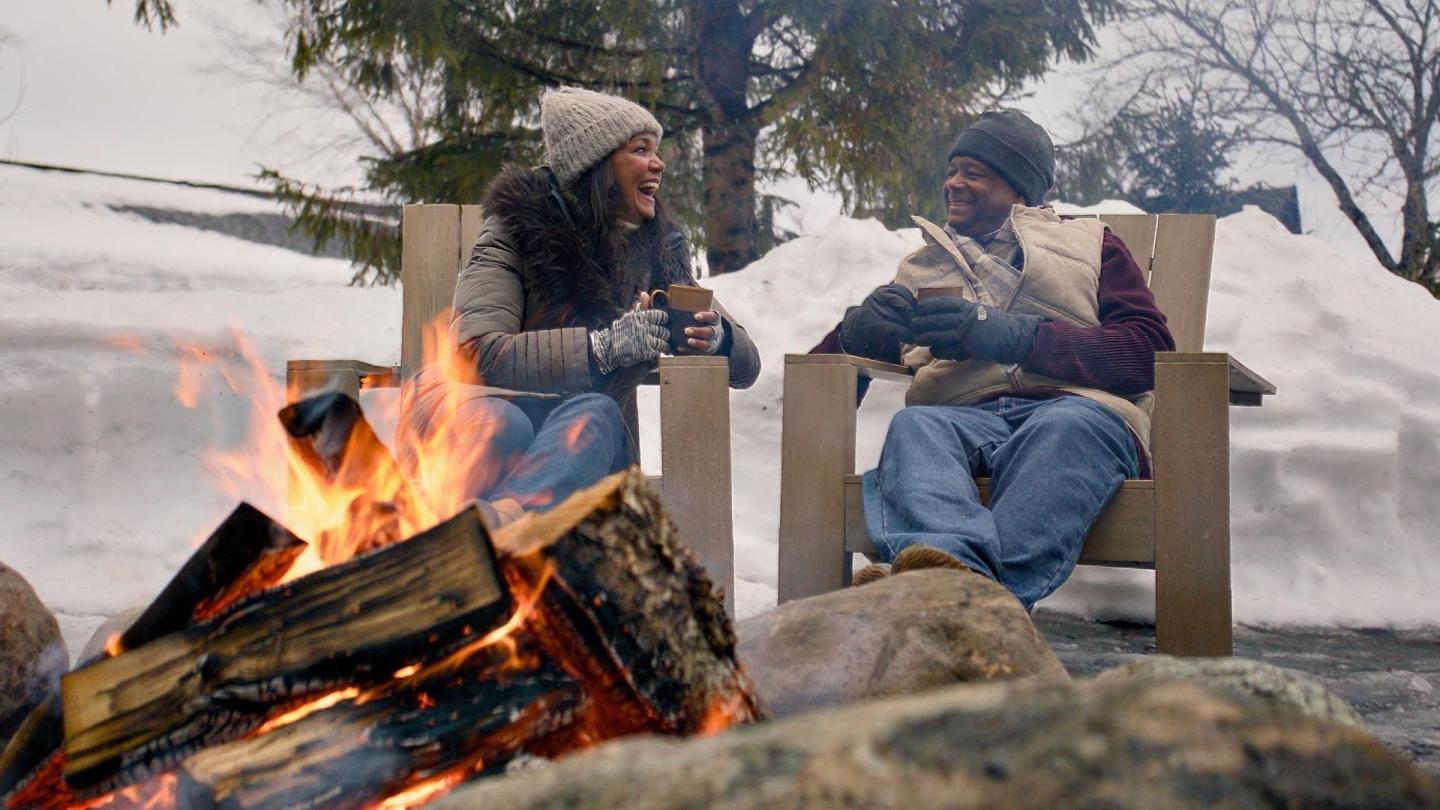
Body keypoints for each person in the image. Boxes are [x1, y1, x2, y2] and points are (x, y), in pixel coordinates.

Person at [838, 110, 1174, 610]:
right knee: (915, 429)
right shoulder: (923, 266)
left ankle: (959, 601)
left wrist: (1016, 336)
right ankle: (969, 597)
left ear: (1019, 189)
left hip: (1077, 410)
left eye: (973, 172)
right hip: (961, 417)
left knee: (1067, 426)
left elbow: (1148, 352)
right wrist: (857, 332)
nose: (953, 183)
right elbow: (831, 367)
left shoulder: (1090, 244)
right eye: (952, 170)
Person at [405, 86, 760, 526]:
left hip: (568, 435)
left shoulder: (657, 251)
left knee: (598, 417)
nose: (659, 163)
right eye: (640, 149)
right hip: (471, 406)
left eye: (658, 150)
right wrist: (603, 348)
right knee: (506, 426)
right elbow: (476, 353)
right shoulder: (517, 229)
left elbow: (749, 365)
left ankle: (492, 529)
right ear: (597, 163)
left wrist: (717, 338)